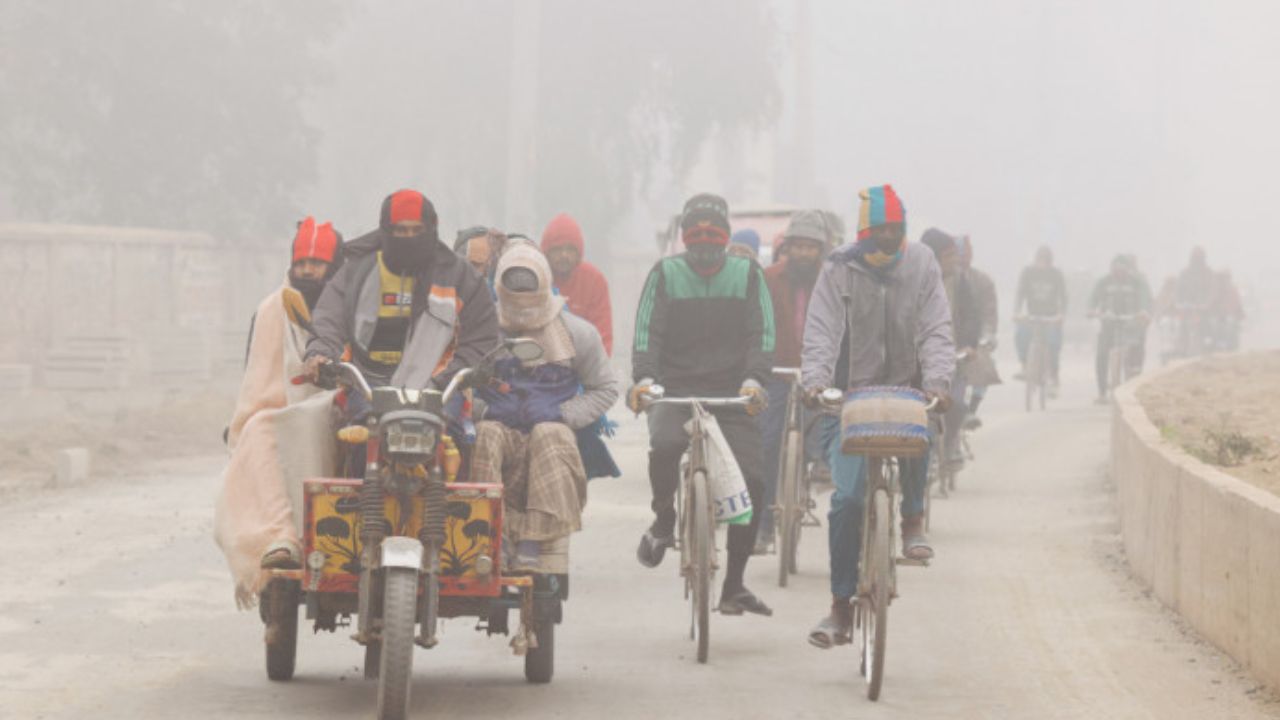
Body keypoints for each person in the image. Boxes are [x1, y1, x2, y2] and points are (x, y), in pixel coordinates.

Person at [801, 185, 955, 648]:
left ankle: (911, 518)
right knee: (846, 501)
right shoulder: (839, 267)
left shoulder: (923, 262)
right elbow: (823, 328)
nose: (889, 241)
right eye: (880, 233)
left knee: (919, 431)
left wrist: (938, 382)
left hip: (908, 389)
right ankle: (840, 608)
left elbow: (935, 326)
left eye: (896, 232)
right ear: (864, 234)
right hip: (849, 398)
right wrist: (815, 381)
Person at [629, 192, 775, 616]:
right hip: (675, 390)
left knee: (754, 481)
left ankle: (734, 583)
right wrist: (646, 380)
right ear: (684, 242)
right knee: (665, 444)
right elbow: (646, 335)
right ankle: (663, 521)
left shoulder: (748, 274)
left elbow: (761, 334)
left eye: (713, 238)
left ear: (726, 240)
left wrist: (754, 379)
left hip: (734, 393)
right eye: (696, 240)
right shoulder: (664, 274)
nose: (705, 248)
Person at [214, 217, 344, 608]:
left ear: (334, 266)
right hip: (282, 408)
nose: (307, 270)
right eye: (301, 262)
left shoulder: (351, 304)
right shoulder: (271, 311)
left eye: (317, 263)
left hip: (344, 403)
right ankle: (279, 539)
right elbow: (255, 375)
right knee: (257, 432)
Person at [469, 241, 618, 572]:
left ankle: (532, 542)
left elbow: (604, 388)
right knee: (486, 435)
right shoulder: (481, 334)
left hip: (549, 437)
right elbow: (459, 385)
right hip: (502, 431)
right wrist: (484, 410)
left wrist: (563, 414)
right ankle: (494, 536)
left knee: (552, 434)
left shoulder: (578, 334)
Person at [303, 189, 499, 396]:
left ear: (432, 228)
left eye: (417, 231)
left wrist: (450, 378)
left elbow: (481, 337)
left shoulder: (460, 277)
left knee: (460, 429)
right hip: (366, 391)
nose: (409, 238)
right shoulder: (357, 272)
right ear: (386, 231)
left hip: (440, 394)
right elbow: (329, 318)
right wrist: (321, 355)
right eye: (400, 231)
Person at [756, 209, 834, 552]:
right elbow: (755, 324)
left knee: (822, 428)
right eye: (798, 246)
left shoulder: (833, 281)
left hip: (819, 374)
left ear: (821, 250)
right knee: (767, 443)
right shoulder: (768, 279)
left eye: (810, 247)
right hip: (776, 373)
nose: (803, 253)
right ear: (788, 247)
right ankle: (763, 525)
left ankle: (816, 467)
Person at [921, 228, 984, 471]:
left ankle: (949, 444)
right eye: (947, 256)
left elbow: (971, 316)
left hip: (952, 356)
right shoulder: (913, 279)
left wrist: (969, 345)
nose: (954, 261)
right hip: (919, 358)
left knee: (955, 404)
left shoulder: (959, 281)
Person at [540, 213, 614, 355]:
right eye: (557, 249)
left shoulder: (594, 281)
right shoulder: (536, 278)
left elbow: (603, 336)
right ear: (546, 252)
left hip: (584, 363)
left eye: (570, 249)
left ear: (579, 252)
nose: (564, 255)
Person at [1089, 254, 1152, 401]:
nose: (1118, 273)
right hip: (1109, 326)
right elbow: (1093, 298)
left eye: (1121, 270)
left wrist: (1143, 311)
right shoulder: (1104, 282)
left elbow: (1144, 299)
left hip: (1130, 326)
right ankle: (1102, 391)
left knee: (1136, 350)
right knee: (1102, 354)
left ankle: (1135, 381)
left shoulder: (1137, 282)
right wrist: (1092, 310)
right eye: (1115, 269)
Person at [958, 235, 1000, 426]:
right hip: (946, 339)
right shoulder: (938, 279)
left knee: (983, 364)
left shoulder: (982, 281)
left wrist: (986, 336)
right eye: (959, 253)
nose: (963, 257)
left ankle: (970, 411)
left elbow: (989, 313)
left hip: (972, 340)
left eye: (967, 252)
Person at [1014, 246, 1067, 391]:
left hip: (1051, 317)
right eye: (1040, 260)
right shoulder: (1028, 273)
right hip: (1032, 315)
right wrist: (1017, 312)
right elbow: (1020, 294)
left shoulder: (1056, 275)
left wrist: (1061, 315)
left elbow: (1063, 297)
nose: (1043, 263)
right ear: (1035, 260)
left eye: (1046, 260)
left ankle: (1053, 375)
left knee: (1053, 343)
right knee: (1021, 335)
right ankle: (1025, 366)